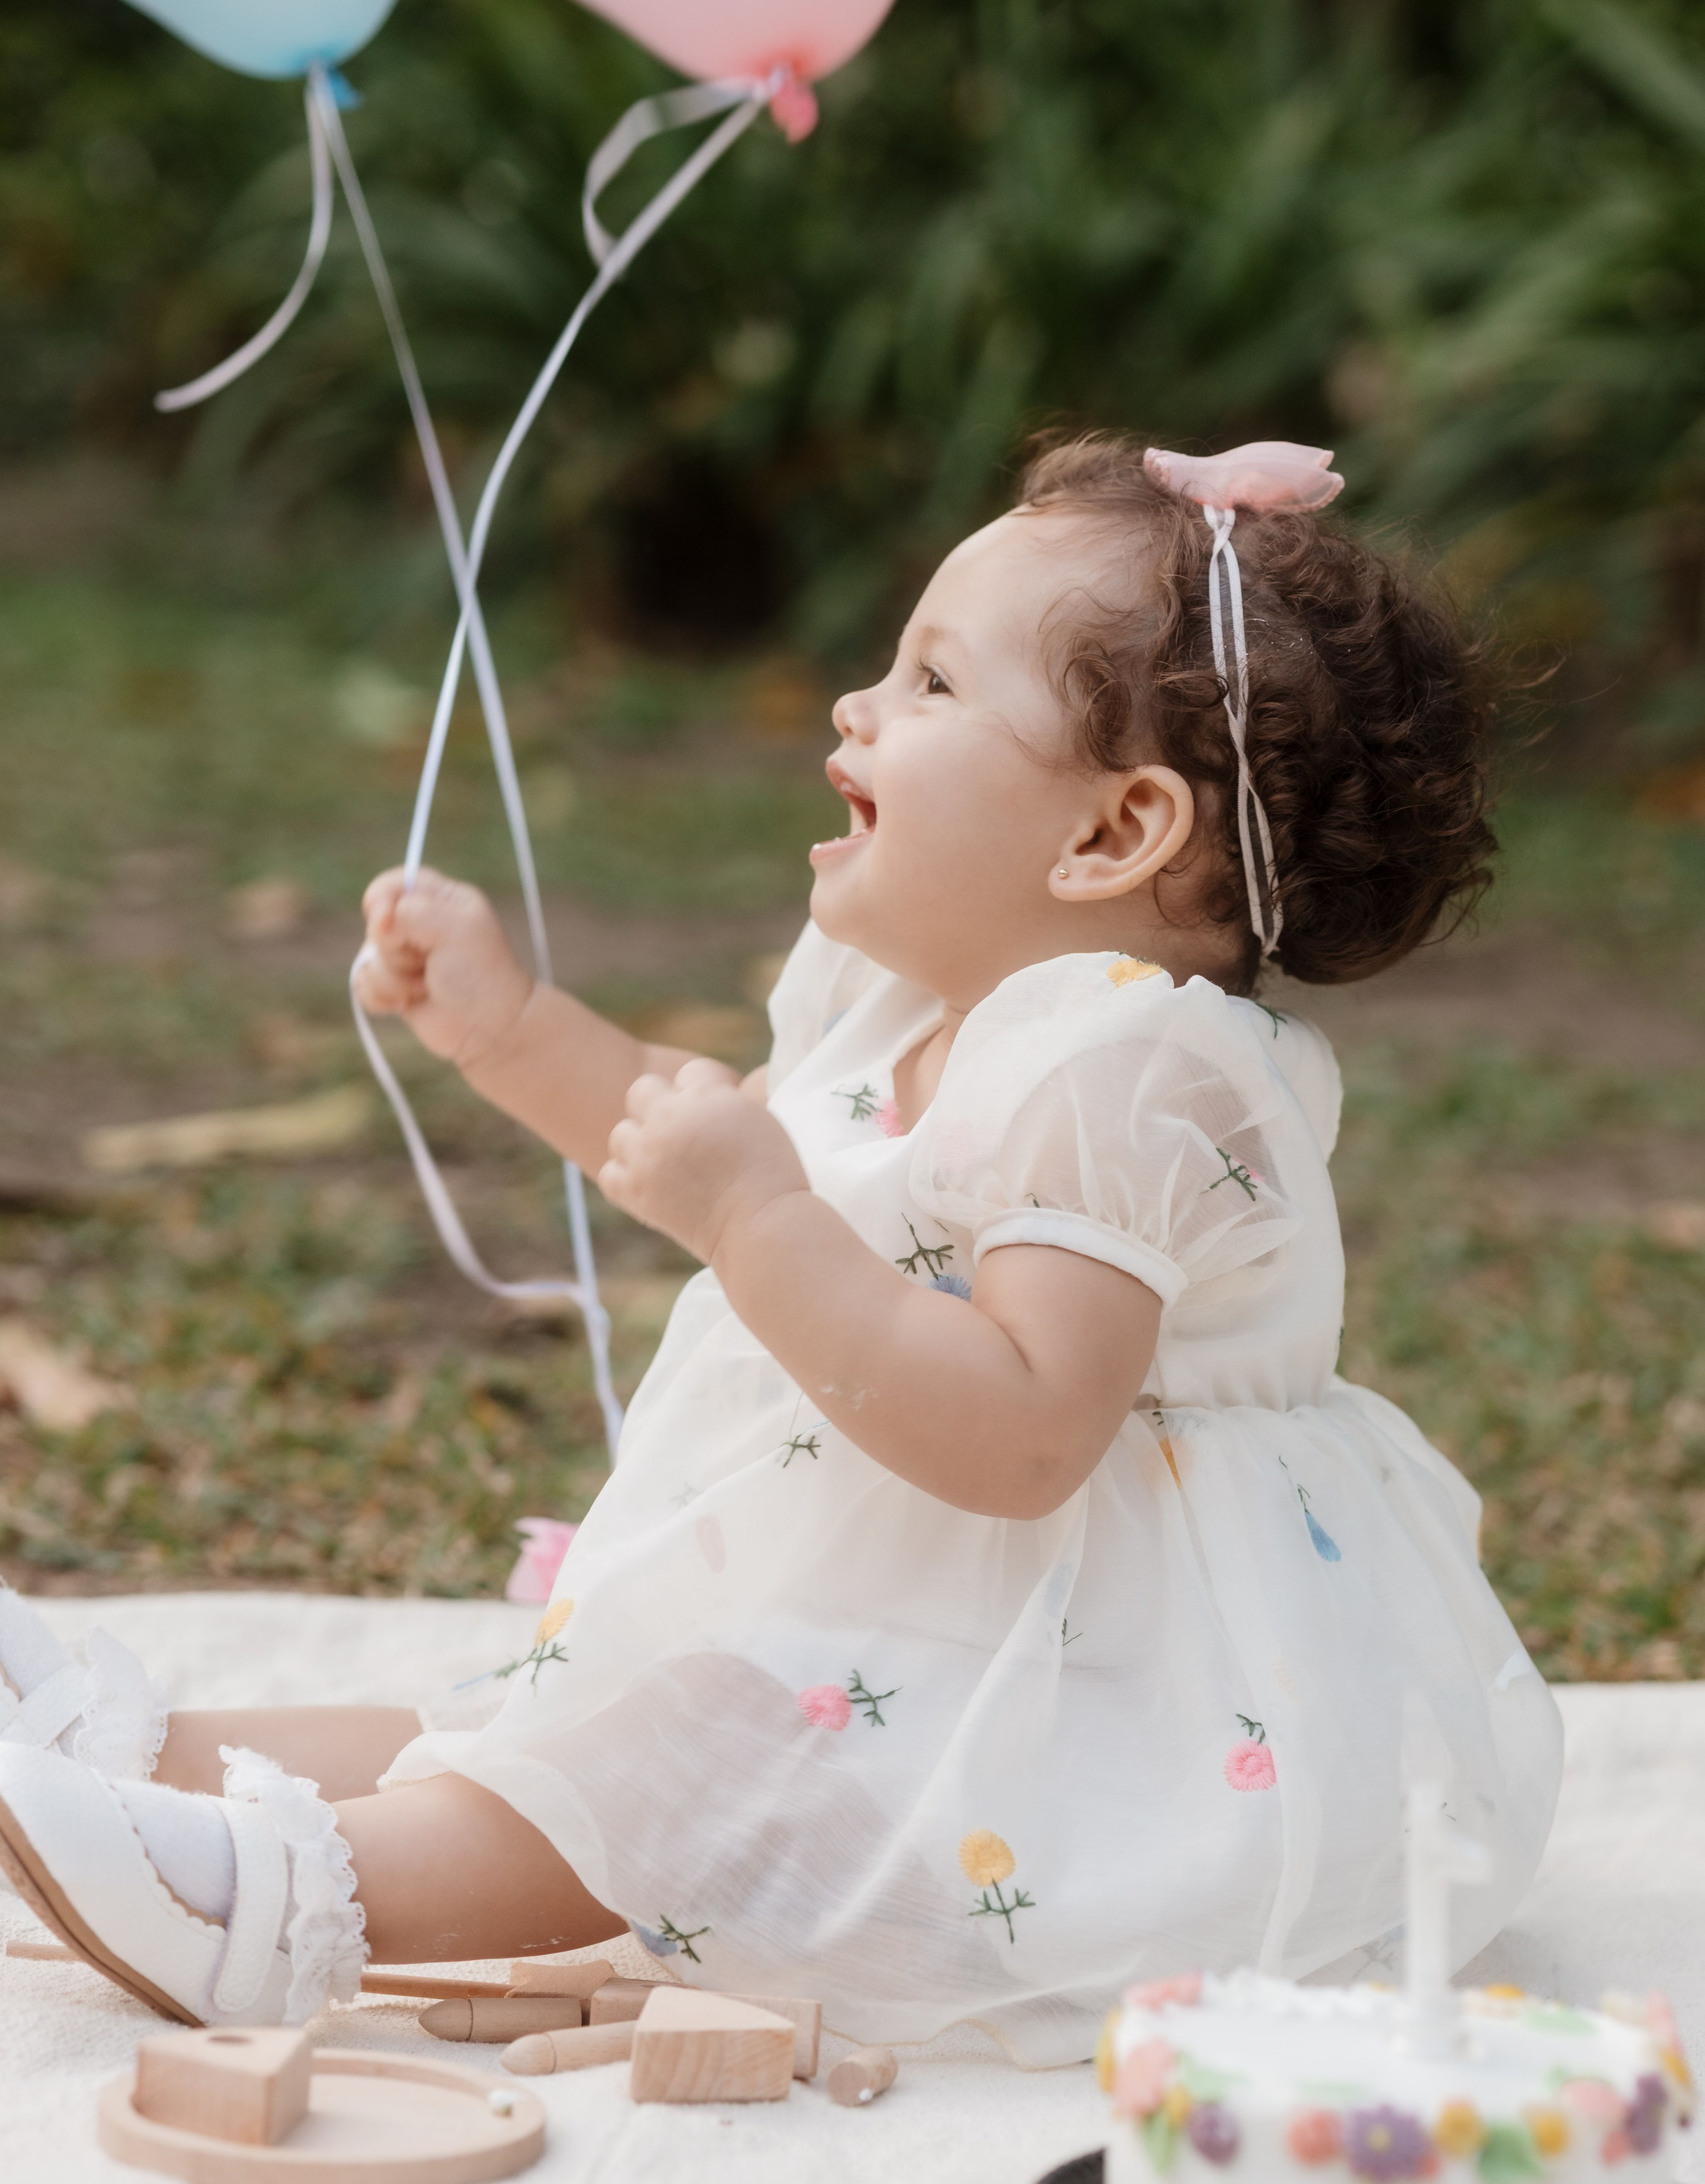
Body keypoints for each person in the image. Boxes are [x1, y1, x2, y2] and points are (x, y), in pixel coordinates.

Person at [0, 434, 1562, 2063]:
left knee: (671, 1758)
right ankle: (121, 1756)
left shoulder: (1128, 1076)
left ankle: (275, 1912)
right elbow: (699, 1139)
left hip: (1081, 1704)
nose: (853, 708)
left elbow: (1030, 1432)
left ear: (1111, 836)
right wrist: (513, 1027)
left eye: (932, 683)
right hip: (892, 1621)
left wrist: (758, 1222)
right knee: (566, 1707)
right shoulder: (898, 1008)